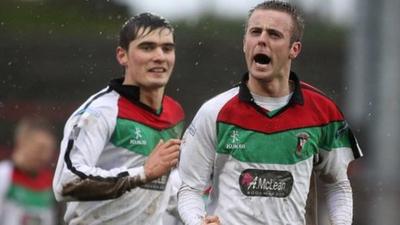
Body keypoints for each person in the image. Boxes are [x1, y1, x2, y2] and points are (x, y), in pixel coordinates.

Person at [177, 1, 363, 225]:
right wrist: (198, 222)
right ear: (245, 43)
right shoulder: (214, 112)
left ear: (294, 49)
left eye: (274, 34)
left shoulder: (324, 113)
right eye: (255, 32)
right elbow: (189, 188)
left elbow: (338, 185)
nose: (262, 40)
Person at [53, 13, 185, 225]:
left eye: (167, 48)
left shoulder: (174, 114)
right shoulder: (98, 112)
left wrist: (198, 216)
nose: (160, 56)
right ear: (122, 55)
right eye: (147, 47)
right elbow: (66, 183)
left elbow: (166, 187)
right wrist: (142, 173)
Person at [0, 116, 57, 225]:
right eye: (40, 148)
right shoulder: (4, 175)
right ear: (22, 142)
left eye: (49, 150)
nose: (45, 156)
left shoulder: (51, 183)